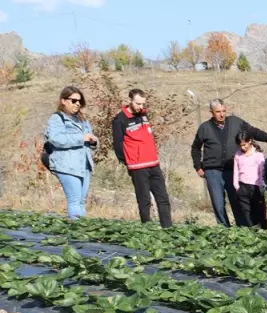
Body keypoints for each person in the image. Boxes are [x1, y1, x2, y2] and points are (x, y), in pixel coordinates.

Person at [190, 99, 267, 227]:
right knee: (218, 203)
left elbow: (253, 132)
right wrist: (197, 166)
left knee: (237, 201)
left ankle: (242, 229)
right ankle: (224, 229)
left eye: (223, 111)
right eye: (218, 112)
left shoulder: (235, 122)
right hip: (213, 171)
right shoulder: (204, 128)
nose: (221, 114)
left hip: (232, 170)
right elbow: (195, 148)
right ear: (211, 112)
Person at [111, 88, 172, 227]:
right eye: (138, 104)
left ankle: (168, 228)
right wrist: (129, 162)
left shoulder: (143, 114)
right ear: (130, 100)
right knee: (144, 200)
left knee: (163, 198)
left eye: (143, 104)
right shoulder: (119, 119)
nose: (141, 107)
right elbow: (118, 145)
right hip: (138, 167)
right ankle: (147, 228)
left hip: (154, 164)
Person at [44, 86, 97, 219]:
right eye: (74, 101)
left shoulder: (82, 120)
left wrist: (94, 141)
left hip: (84, 165)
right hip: (66, 165)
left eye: (80, 101)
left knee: (81, 202)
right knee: (74, 200)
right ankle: (77, 235)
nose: (78, 104)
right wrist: (81, 138)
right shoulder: (57, 119)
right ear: (63, 101)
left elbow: (90, 138)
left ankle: (80, 232)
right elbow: (56, 139)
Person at [231, 132, 267, 230]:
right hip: (242, 187)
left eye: (244, 145)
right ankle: (252, 232)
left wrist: (261, 186)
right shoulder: (238, 155)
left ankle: (262, 232)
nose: (242, 147)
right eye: (240, 145)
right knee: (246, 212)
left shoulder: (258, 155)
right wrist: (236, 185)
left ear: (250, 141)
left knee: (258, 212)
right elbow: (236, 170)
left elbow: (262, 171)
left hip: (255, 187)